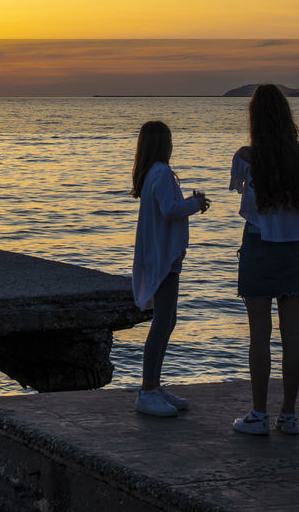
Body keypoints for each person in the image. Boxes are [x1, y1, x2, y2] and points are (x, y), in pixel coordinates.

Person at [228, 84, 299, 435]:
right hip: (296, 248)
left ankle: (258, 414)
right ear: (287, 115)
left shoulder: (246, 156)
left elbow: (243, 199)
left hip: (258, 246)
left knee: (259, 333)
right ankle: (289, 414)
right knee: (293, 334)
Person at [131, 120, 210, 417]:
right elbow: (169, 210)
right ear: (164, 145)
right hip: (164, 257)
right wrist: (195, 204)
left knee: (168, 320)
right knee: (163, 322)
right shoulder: (162, 173)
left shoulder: (153, 173)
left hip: (162, 254)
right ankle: (147, 390)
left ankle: (154, 384)